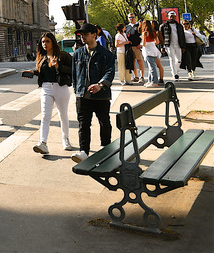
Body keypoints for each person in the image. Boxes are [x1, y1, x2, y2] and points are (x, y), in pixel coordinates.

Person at [70, 23, 115, 163]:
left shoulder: (106, 54)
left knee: (104, 122)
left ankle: (105, 147)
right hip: (83, 96)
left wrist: (100, 85)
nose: (82, 37)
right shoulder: (77, 53)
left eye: (85, 34)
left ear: (94, 35)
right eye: (80, 35)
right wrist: (77, 91)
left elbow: (110, 72)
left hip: (101, 95)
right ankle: (84, 151)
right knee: (83, 124)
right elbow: (74, 75)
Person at [23, 32, 72, 154]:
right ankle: (43, 143)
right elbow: (42, 71)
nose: (45, 44)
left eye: (47, 41)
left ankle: (65, 139)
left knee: (63, 115)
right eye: (43, 42)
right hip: (46, 87)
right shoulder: (42, 56)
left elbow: (72, 70)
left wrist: (58, 67)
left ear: (53, 42)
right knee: (45, 115)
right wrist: (33, 72)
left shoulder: (63, 55)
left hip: (60, 87)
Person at [159, 11, 185, 80]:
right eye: (170, 16)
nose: (172, 18)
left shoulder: (179, 26)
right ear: (168, 17)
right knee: (172, 59)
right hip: (169, 45)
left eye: (173, 17)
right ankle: (175, 74)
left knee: (179, 60)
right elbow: (161, 37)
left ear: (175, 17)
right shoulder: (163, 26)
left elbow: (182, 36)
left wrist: (183, 46)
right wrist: (162, 47)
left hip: (178, 44)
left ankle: (175, 70)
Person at [125, 13, 145, 83]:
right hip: (130, 47)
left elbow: (142, 35)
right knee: (132, 62)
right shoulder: (127, 27)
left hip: (137, 46)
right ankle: (135, 76)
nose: (131, 18)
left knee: (140, 61)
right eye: (130, 17)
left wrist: (141, 44)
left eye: (132, 17)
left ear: (135, 17)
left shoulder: (138, 25)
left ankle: (142, 76)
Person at [141, 20, 162, 87]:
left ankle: (154, 82)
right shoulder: (153, 32)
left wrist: (142, 40)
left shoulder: (145, 33)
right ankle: (150, 81)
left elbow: (144, 44)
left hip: (148, 50)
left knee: (152, 67)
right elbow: (157, 42)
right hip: (154, 50)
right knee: (151, 66)